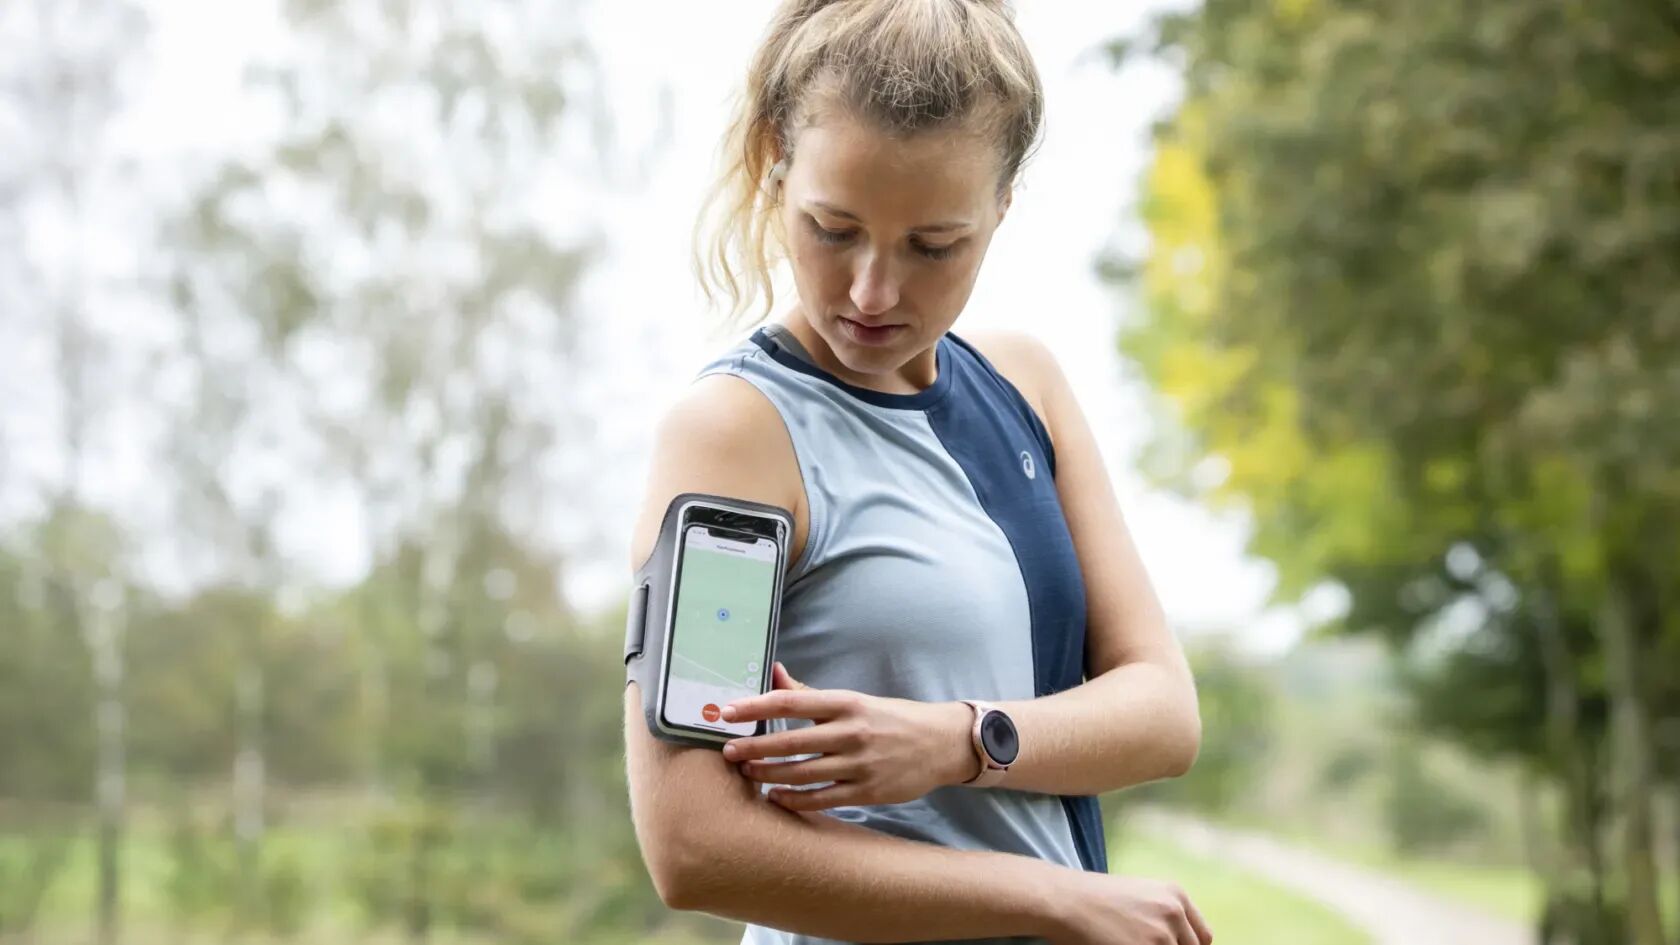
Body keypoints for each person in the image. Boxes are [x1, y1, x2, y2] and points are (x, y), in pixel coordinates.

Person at [624, 2, 1211, 943]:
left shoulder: (1026, 383)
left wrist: (955, 739)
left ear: (1002, 207)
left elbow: (1162, 712)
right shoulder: (734, 434)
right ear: (775, 163)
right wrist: (1054, 894)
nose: (872, 291)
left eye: (934, 246)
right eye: (833, 227)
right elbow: (693, 846)